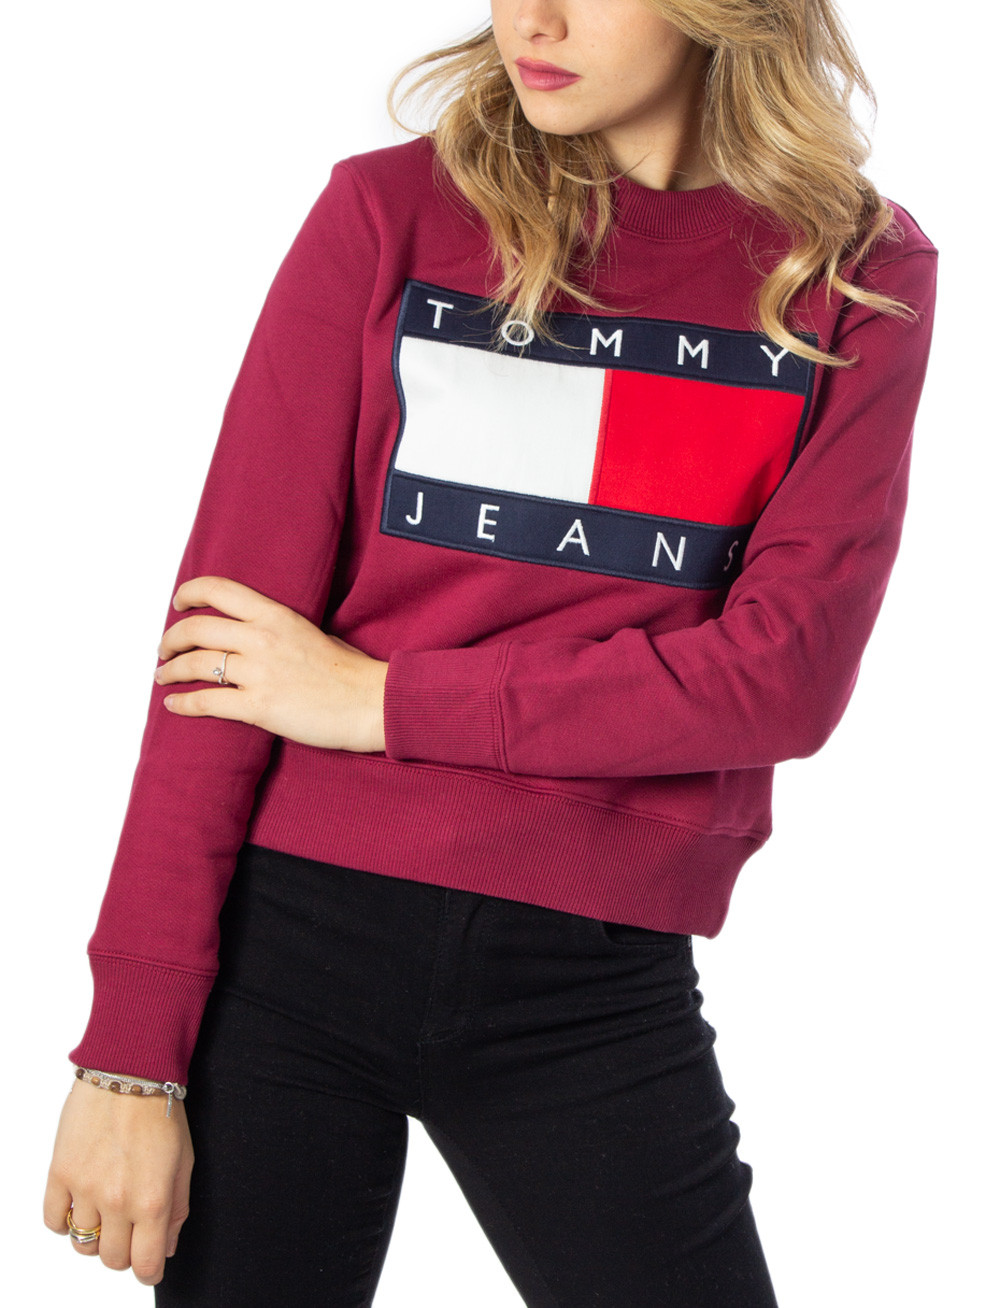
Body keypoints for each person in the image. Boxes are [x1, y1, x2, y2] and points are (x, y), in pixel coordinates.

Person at [42, 1, 937, 1303]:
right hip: (283, 956)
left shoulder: (852, 271)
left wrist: (383, 700)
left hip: (592, 984)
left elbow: (781, 680)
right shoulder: (388, 213)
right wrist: (129, 1055)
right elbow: (215, 663)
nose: (535, 20)